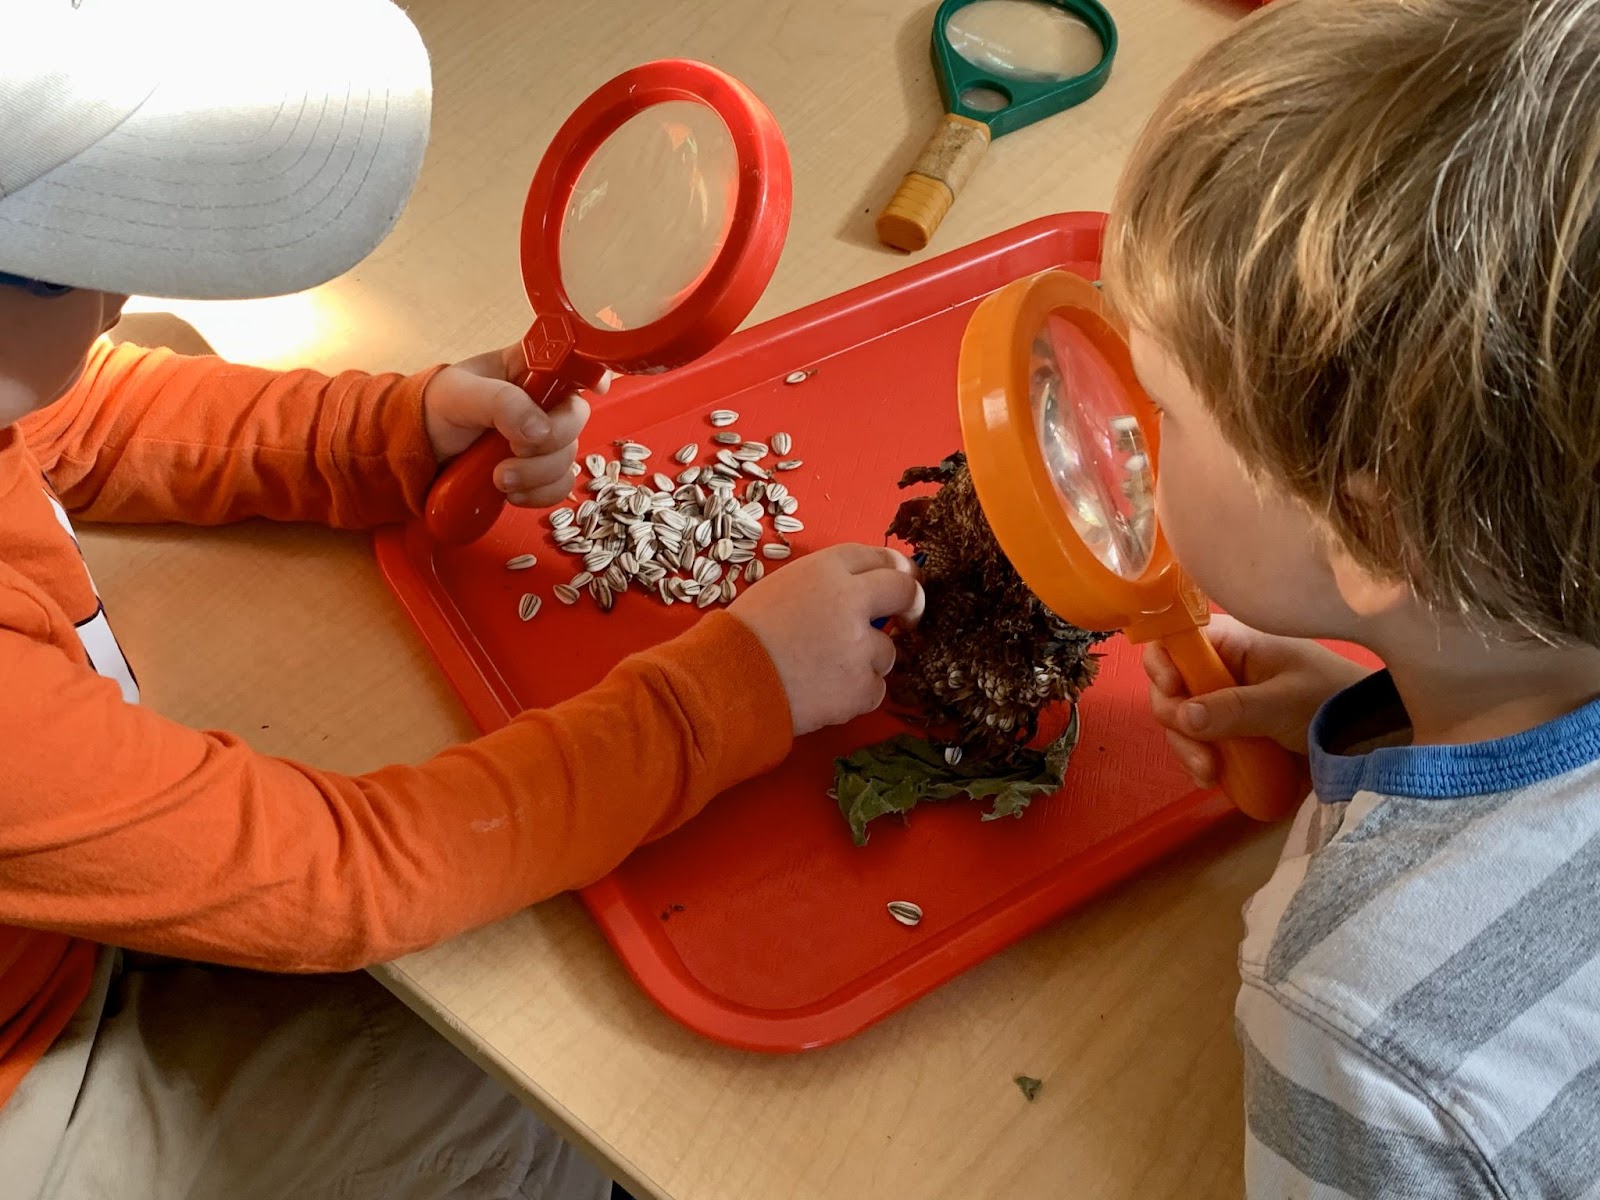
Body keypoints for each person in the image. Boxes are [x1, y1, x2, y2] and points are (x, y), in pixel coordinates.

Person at [0, 2, 922, 1197]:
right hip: (35, 1075)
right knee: (532, 1111)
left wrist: (391, 428)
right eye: (90, 260)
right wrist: (736, 688)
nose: (124, 300)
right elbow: (347, 876)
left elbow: (73, 411)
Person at [1109, 0, 1600, 1193]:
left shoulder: (1361, 1025)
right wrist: (1396, 702)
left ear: (1369, 526)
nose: (1135, 433)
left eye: (1165, 412)